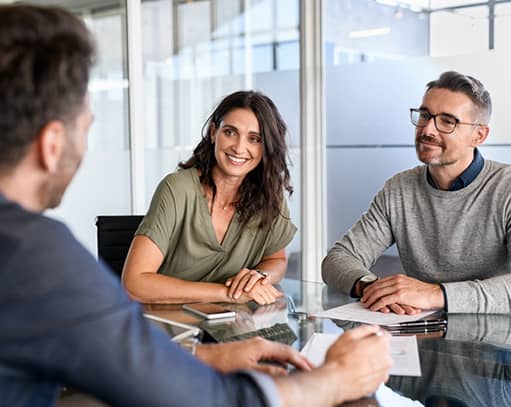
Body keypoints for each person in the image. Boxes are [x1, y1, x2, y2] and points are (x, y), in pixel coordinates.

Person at [0, 4, 392, 406]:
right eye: (87, 128)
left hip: (195, 343)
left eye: (255, 139)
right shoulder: (35, 258)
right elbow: (211, 399)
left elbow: (112, 357)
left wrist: (208, 353)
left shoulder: (26, 257)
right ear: (51, 145)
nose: (240, 147)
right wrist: (336, 377)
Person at [322, 70, 511, 315]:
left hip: (495, 344)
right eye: (425, 115)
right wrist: (371, 287)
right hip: (417, 341)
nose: (428, 129)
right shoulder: (399, 189)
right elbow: (338, 259)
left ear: (479, 135)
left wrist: (435, 293)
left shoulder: (506, 188)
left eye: (447, 121)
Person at [122, 90, 296, 305]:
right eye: (230, 132)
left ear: (266, 146)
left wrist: (259, 277)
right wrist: (227, 294)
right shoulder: (178, 189)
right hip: (167, 326)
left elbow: (276, 259)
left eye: (254, 139)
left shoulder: (270, 195)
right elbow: (134, 284)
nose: (239, 147)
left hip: (230, 327)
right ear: (214, 133)